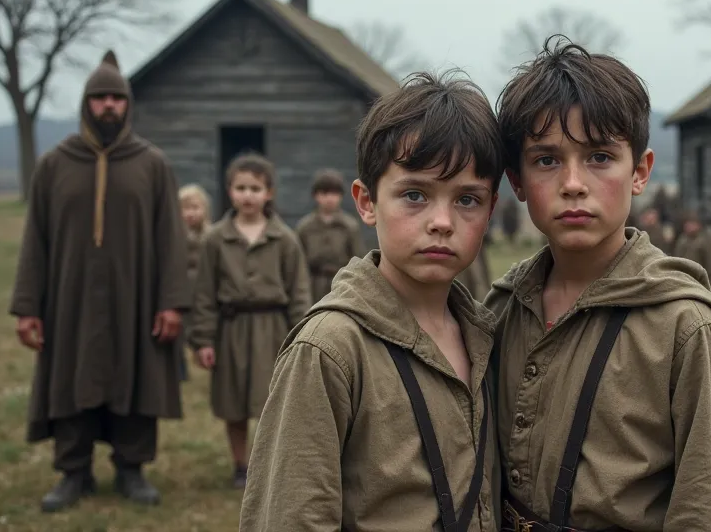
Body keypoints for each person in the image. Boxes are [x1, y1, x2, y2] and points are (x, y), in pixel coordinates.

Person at [487, 36, 711, 531]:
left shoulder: (684, 328)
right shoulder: (502, 311)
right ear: (517, 181)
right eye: (547, 160)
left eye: (599, 157)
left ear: (640, 172)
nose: (573, 183)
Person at [239, 71, 504, 531]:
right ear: (365, 201)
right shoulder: (329, 351)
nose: (442, 221)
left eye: (467, 200)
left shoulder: (487, 336)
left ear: (491, 210)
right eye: (414, 195)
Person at [9, 50, 190, 512]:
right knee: (72, 378)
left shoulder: (152, 165)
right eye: (99, 98)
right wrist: (28, 306)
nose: (108, 105)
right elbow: (35, 241)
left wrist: (172, 302)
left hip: (137, 298)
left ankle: (131, 470)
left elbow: (172, 238)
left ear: (127, 104)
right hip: (67, 300)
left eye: (116, 98)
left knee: (135, 375)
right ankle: (74, 472)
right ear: (86, 104)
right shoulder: (54, 165)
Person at [189, 154, 312, 488]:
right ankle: (240, 464)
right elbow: (204, 294)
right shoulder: (214, 239)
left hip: (273, 330)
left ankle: (269, 466)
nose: (247, 195)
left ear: (268, 192)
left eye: (255, 188)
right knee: (234, 403)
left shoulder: (285, 239)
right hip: (231, 329)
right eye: (240, 187)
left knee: (272, 402)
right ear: (230, 191)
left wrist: (303, 339)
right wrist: (203, 339)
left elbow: (299, 292)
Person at [296, 169, 365, 301]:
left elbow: (358, 259)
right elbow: (299, 262)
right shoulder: (305, 227)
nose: (329, 198)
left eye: (334, 193)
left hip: (342, 284)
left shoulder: (349, 226)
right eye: (324, 193)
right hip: (313, 286)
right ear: (315, 195)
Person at [178, 183, 213, 382]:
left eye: (195, 208)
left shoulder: (211, 236)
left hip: (202, 294)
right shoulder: (174, 236)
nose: (190, 213)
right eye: (185, 208)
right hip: (182, 293)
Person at [673, 209, 711, 284]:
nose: (688, 226)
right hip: (684, 278)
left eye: (691, 224)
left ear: (698, 225)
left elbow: (710, 263)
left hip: (700, 278)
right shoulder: (682, 240)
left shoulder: (705, 240)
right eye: (687, 224)